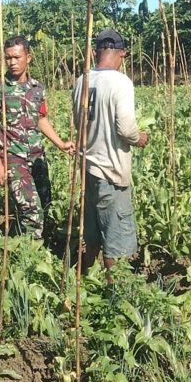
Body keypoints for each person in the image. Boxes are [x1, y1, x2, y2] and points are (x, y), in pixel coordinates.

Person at [0, 35, 75, 240]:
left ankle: (34, 241)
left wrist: (60, 144)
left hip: (37, 156)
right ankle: (31, 255)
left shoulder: (37, 89)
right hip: (13, 158)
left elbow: (41, 119)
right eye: (8, 58)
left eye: (17, 57)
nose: (12, 63)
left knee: (45, 202)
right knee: (31, 210)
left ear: (28, 57)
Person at [72, 29, 149, 270]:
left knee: (92, 233)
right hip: (110, 172)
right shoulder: (120, 82)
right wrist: (140, 139)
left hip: (88, 169)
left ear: (97, 52)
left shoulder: (82, 80)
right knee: (115, 240)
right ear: (121, 54)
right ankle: (114, 296)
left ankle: (86, 279)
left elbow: (78, 122)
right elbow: (126, 129)